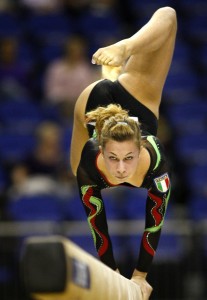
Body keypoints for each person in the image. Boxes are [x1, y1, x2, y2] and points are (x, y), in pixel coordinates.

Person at [70, 6, 177, 300]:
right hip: (91, 109)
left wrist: (140, 275)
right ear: (101, 152)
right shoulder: (90, 164)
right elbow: (97, 224)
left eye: (129, 158)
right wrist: (112, 273)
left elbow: (155, 219)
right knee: (75, 176)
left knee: (168, 14)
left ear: (141, 148)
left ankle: (124, 47)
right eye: (113, 159)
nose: (120, 169)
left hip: (135, 100)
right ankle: (123, 50)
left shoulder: (156, 163)